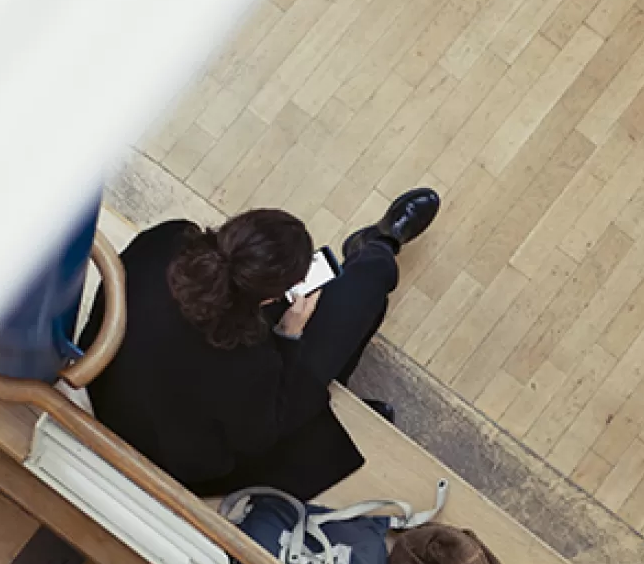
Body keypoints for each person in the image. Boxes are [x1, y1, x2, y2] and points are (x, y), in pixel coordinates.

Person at [79, 188, 439, 500]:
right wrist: (289, 335)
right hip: (170, 457)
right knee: (359, 295)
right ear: (267, 299)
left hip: (104, 384)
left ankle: (379, 246)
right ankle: (378, 248)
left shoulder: (167, 239)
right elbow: (258, 437)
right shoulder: (249, 365)